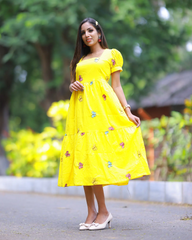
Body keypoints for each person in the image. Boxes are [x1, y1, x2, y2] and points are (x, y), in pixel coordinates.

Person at [58, 17, 150, 231]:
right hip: (81, 113)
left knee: (95, 160)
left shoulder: (111, 55)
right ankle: (91, 211)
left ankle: (104, 211)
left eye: (90, 30)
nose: (86, 35)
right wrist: (73, 86)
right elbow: (77, 82)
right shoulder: (79, 61)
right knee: (84, 159)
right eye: (82, 32)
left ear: (99, 33)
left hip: (101, 112)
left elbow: (116, 86)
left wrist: (127, 111)